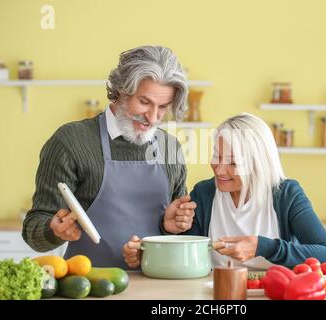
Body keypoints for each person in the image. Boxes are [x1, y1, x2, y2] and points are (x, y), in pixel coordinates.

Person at [23, 45, 196, 268]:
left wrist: (171, 227)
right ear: (121, 90)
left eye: (162, 106)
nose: (153, 118)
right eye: (144, 102)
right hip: (89, 286)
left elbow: (181, 242)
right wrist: (54, 230)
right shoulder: (71, 142)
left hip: (157, 287)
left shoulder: (171, 147)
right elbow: (32, 230)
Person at [124, 113, 326, 269]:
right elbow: (186, 261)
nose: (220, 168)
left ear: (259, 163)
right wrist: (168, 231)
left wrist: (263, 247)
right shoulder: (204, 193)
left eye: (233, 163)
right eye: (217, 156)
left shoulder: (286, 194)